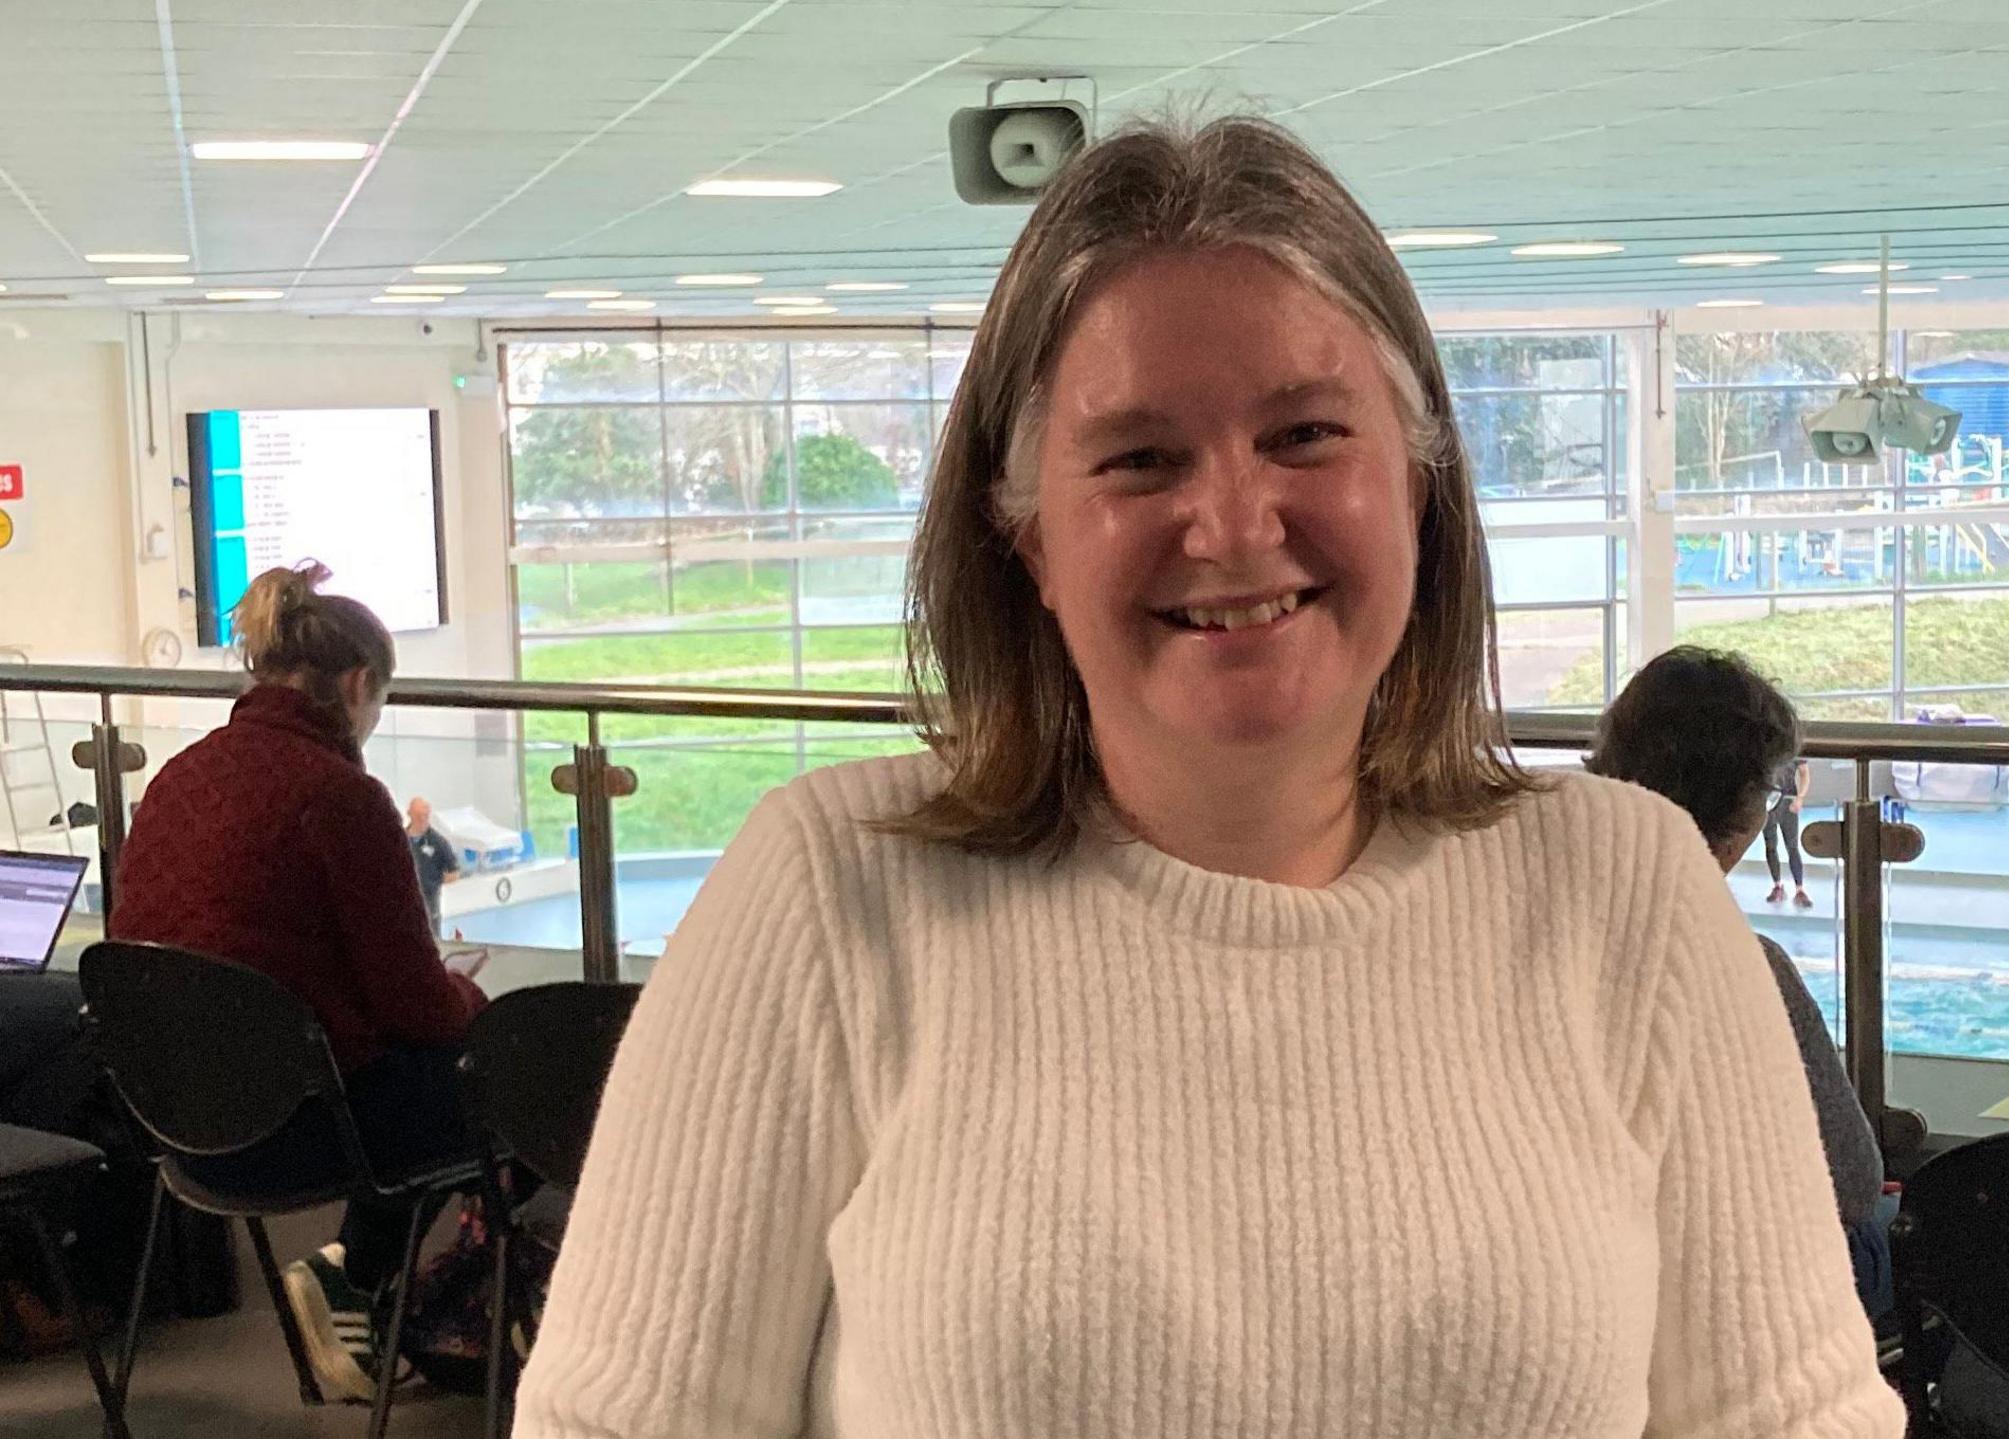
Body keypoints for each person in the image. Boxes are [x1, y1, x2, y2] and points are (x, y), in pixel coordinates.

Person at [515, 117, 1899, 1439]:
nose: (1235, 522)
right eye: (1139, 457)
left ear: (1417, 484)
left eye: (1305, 435)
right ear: (1028, 539)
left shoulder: (1633, 890)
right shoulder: (829, 889)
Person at [108, 561, 486, 1403]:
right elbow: (418, 1008)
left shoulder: (178, 776)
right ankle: (360, 1272)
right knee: (503, 1081)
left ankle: (351, 1278)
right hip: (292, 1129)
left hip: (172, 1125)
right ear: (358, 685)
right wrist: (467, 995)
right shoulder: (341, 797)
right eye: (379, 702)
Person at [1587, 646, 1894, 1322]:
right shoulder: (1744, 967)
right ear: (1744, 816)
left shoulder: (1522, 928)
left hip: (1583, 1267)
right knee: (1883, 1232)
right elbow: (1851, 1177)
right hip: (1715, 1295)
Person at [404, 797, 460, 934]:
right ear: (409, 814)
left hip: (429, 902)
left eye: (425, 815)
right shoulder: (399, 839)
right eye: (419, 816)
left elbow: (455, 872)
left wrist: (435, 881)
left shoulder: (438, 841)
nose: (423, 819)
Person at [1766, 756, 1814, 908]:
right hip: (1768, 801)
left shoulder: (1794, 750)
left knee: (1792, 846)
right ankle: (1777, 885)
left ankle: (1799, 889)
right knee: (1770, 844)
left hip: (1788, 801)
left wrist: (1800, 798)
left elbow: (1804, 773)